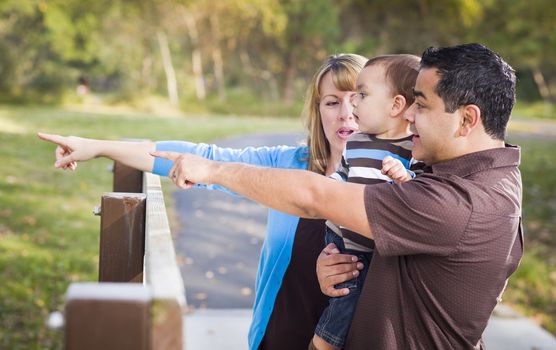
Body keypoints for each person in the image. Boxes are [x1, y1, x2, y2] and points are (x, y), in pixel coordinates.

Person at [152, 43, 523, 349]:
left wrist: (212, 171)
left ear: (467, 120)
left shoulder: (460, 203)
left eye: (421, 104)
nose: (408, 113)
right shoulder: (480, 172)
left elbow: (315, 196)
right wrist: (334, 264)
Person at [38, 53, 368, 350]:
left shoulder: (394, 179)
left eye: (358, 99)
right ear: (317, 110)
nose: (346, 114)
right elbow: (200, 157)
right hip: (279, 338)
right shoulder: (289, 164)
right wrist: (97, 146)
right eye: (332, 102)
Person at [313, 54, 420, 350]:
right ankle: (323, 342)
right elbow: (342, 175)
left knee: (359, 301)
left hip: (379, 246)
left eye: (361, 95)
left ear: (396, 105)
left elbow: (421, 191)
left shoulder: (414, 148)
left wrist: (405, 175)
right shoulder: (358, 142)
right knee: (346, 296)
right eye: (334, 102)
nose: (353, 106)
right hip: (345, 239)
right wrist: (327, 191)